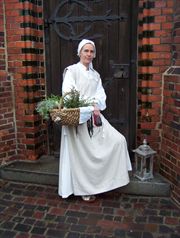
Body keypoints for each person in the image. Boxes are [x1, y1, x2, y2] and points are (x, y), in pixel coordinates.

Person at [58, 39, 132, 202]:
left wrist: (95, 105)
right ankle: (85, 189)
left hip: (95, 116)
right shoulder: (71, 71)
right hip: (78, 118)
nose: (89, 54)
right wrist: (89, 106)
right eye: (86, 51)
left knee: (119, 141)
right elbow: (69, 94)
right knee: (84, 156)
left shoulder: (95, 75)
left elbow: (101, 96)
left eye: (92, 51)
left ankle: (106, 183)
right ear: (79, 52)